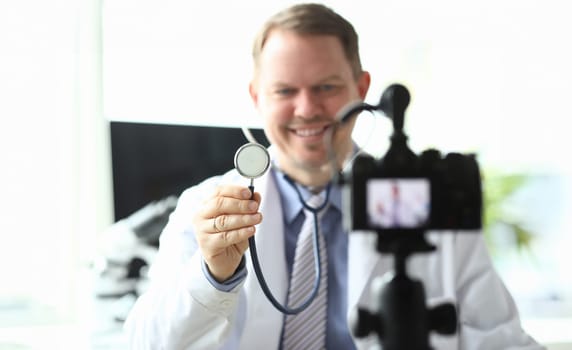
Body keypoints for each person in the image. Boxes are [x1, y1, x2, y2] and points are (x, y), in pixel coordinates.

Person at [124, 3, 544, 349]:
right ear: (257, 97)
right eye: (285, 91)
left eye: (326, 87)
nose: (306, 109)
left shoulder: (425, 202)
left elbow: (502, 341)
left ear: (361, 88)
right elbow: (146, 344)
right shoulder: (207, 207)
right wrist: (213, 276)